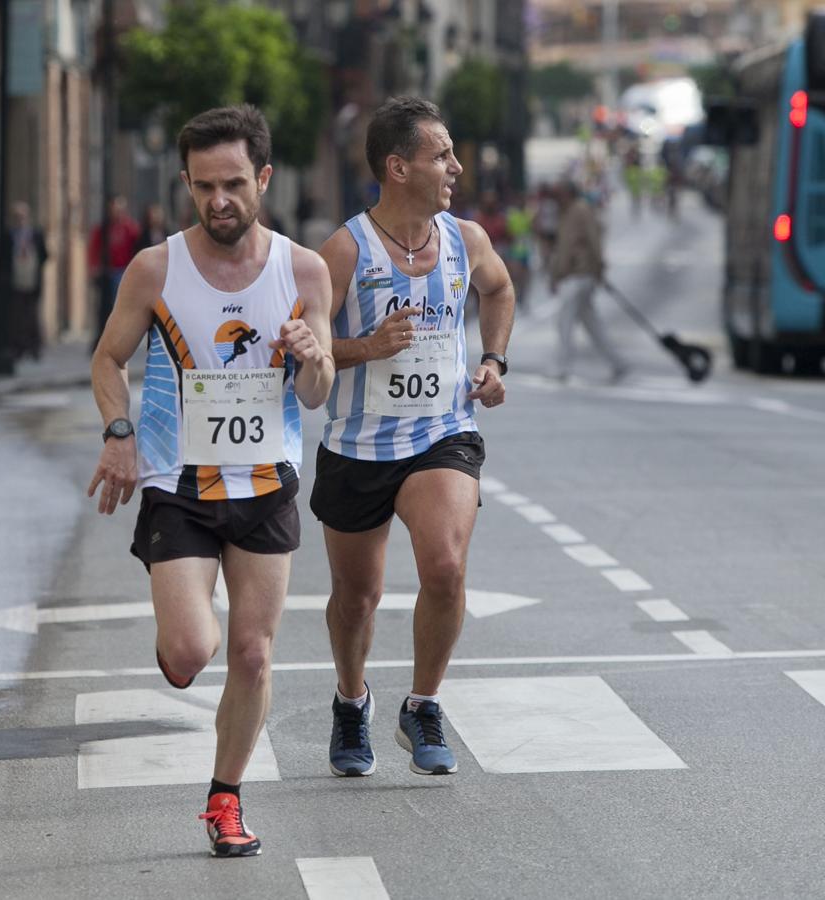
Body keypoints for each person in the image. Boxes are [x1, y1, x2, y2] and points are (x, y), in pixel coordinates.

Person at [86, 104, 334, 857]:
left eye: (232, 184)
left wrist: (309, 353)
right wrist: (119, 434)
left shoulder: (303, 270)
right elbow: (106, 360)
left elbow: (318, 391)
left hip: (266, 484)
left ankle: (225, 799)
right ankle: (179, 635)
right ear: (187, 185)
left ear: (263, 177)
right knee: (193, 653)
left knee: (253, 654)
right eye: (202, 187)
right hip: (178, 484)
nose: (218, 201)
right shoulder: (156, 268)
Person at [313, 96, 515, 779]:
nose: (456, 167)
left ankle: (423, 703)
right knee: (356, 597)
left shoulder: (466, 239)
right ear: (397, 168)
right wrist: (365, 347)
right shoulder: (344, 250)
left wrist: (493, 362)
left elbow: (500, 291)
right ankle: (351, 701)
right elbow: (300, 352)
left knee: (446, 566)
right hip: (357, 445)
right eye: (441, 156)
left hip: (442, 433)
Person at [550, 179, 627, 383]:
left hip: (579, 274)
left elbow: (594, 238)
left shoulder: (581, 210)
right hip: (573, 274)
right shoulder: (567, 212)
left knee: (565, 321)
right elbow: (562, 247)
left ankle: (563, 367)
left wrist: (599, 266)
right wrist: (556, 273)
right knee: (592, 323)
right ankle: (617, 362)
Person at [0, 201, 49, 360]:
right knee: (17, 316)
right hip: (16, 280)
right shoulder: (10, 235)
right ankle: (18, 346)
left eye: (23, 216)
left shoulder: (35, 234)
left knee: (32, 314)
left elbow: (44, 255)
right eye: (17, 216)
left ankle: (34, 347)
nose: (20, 219)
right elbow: (1, 258)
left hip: (32, 279)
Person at [89, 196, 142, 346]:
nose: (117, 212)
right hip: (108, 271)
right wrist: (94, 267)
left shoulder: (129, 227)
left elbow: (138, 246)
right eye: (114, 209)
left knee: (121, 305)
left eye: (120, 209)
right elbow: (95, 248)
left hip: (124, 271)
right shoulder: (103, 229)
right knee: (106, 307)